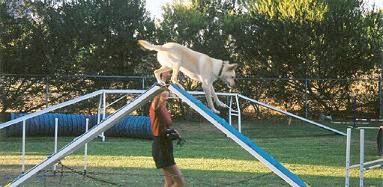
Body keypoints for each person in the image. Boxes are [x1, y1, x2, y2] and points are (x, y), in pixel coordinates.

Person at [149, 70, 185, 187]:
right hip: (161, 147)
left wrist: (172, 131)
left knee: (169, 182)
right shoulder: (156, 106)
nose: (167, 93)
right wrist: (161, 79)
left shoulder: (164, 106)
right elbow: (158, 91)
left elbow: (165, 125)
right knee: (180, 183)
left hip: (166, 145)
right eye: (163, 92)